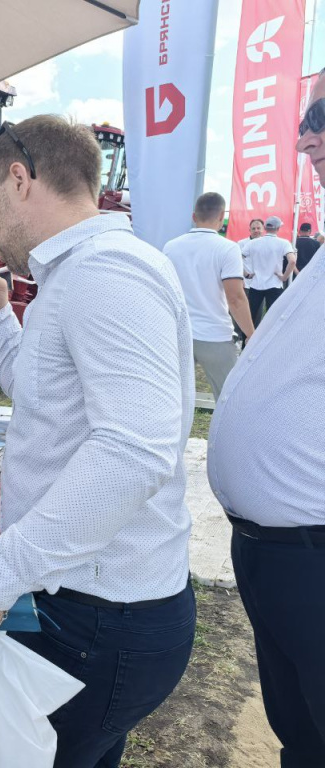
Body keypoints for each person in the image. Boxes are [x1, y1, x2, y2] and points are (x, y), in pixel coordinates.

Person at [0, 116, 196, 767]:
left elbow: (133, 450)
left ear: (20, 179)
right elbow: (51, 404)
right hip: (93, 606)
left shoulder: (104, 274)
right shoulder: (76, 272)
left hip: (100, 613)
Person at [207, 71, 325, 766]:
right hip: (276, 549)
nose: (307, 135)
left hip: (311, 550)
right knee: (300, 732)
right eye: (309, 119)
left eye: (322, 119)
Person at [163, 192, 255, 401]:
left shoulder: (171, 246)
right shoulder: (228, 248)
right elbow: (235, 297)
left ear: (193, 216)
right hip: (215, 334)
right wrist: (251, 333)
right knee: (229, 397)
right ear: (222, 216)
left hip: (179, 332)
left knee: (173, 397)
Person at [241, 215, 296, 326]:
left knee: (250, 317)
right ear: (278, 228)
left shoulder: (252, 243)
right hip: (275, 285)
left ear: (265, 228)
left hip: (256, 284)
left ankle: (247, 342)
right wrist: (284, 277)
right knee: (274, 319)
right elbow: (292, 261)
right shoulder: (284, 243)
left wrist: (246, 274)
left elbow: (237, 258)